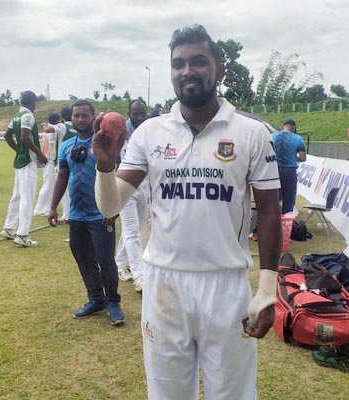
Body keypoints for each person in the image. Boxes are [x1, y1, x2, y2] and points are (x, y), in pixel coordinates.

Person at [93, 25, 281, 399]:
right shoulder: (150, 132)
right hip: (164, 282)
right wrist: (104, 166)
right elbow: (111, 206)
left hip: (225, 284)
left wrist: (267, 291)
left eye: (198, 61)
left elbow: (270, 213)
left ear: (220, 69)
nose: (187, 71)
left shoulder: (251, 132)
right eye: (178, 64)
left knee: (232, 393)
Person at [48, 100, 125, 326]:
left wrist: (113, 208)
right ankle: (96, 299)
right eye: (76, 115)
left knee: (105, 260)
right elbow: (62, 177)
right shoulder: (67, 146)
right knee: (83, 258)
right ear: (71, 119)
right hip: (77, 215)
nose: (80, 119)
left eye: (84, 115)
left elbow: (118, 175)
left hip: (101, 214)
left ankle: (113, 302)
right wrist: (52, 207)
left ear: (93, 118)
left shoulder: (104, 143)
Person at [0, 91, 47, 247]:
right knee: (27, 198)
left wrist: (19, 150)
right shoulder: (28, 116)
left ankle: (9, 228)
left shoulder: (16, 116)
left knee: (17, 196)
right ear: (33, 102)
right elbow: (25, 137)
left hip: (20, 161)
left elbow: (7, 136)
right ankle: (22, 234)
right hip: (28, 162)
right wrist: (40, 153)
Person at [115, 99, 149, 292]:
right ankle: (139, 276)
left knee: (135, 226)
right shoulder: (120, 132)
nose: (139, 117)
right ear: (129, 114)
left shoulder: (149, 132)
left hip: (144, 186)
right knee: (131, 230)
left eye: (142, 113)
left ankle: (120, 263)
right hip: (124, 186)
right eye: (135, 114)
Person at [33, 113, 66, 216]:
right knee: (48, 185)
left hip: (51, 160)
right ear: (58, 120)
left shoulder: (51, 130)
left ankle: (46, 208)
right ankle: (39, 209)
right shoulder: (50, 131)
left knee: (52, 186)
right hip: (50, 161)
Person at [272, 119, 306, 215]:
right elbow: (303, 158)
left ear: (283, 126)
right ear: (294, 128)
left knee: (272, 198)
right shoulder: (298, 138)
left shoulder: (272, 136)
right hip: (289, 171)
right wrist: (294, 158)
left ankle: (272, 219)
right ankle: (286, 220)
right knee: (289, 200)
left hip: (273, 170)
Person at [58, 106, 77, 223]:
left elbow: (49, 129)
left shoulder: (63, 126)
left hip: (64, 159)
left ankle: (67, 215)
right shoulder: (76, 127)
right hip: (76, 160)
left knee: (64, 189)